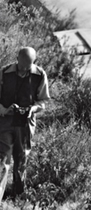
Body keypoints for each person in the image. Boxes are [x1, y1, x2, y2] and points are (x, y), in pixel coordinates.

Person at [0, 47, 50, 201]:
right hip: (5, 122)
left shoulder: (40, 75)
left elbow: (43, 101)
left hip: (26, 123)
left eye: (27, 68)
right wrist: (4, 109)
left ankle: (18, 196)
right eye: (21, 67)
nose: (23, 71)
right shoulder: (4, 72)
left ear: (33, 63)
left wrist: (32, 109)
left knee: (21, 159)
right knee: (2, 160)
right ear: (17, 59)